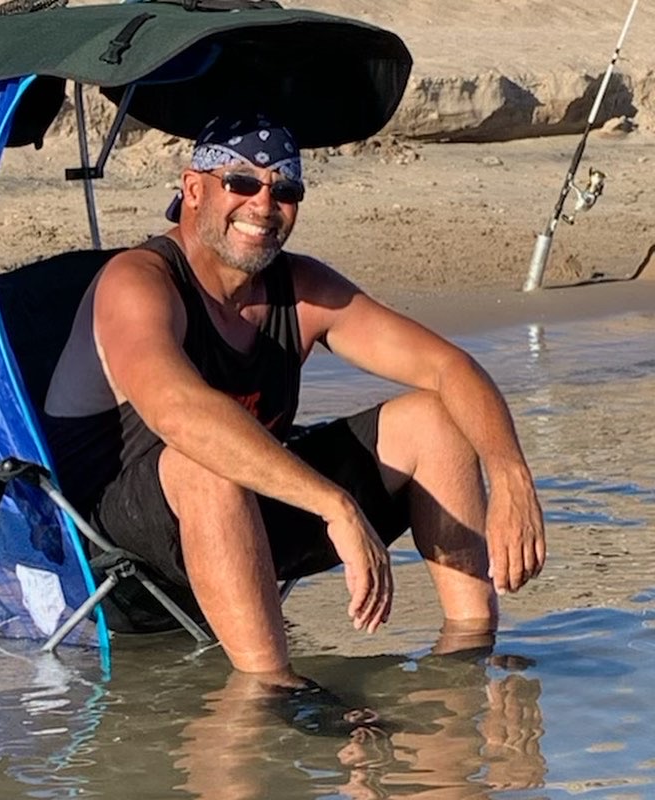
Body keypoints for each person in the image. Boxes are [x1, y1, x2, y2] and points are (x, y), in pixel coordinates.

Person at [43, 113, 545, 688]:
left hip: (246, 519)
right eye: (241, 183)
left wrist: (510, 474)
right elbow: (178, 413)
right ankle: (272, 694)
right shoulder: (138, 281)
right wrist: (335, 505)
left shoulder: (301, 288)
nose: (264, 205)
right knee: (206, 463)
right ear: (193, 189)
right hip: (116, 550)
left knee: (436, 421)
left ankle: (470, 665)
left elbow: (448, 367)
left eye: (285, 191)